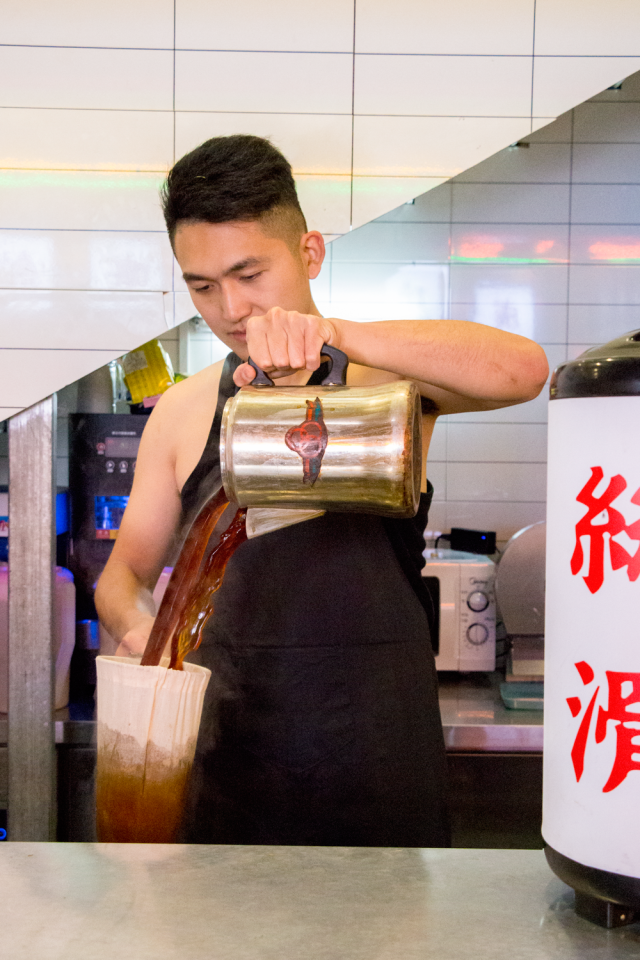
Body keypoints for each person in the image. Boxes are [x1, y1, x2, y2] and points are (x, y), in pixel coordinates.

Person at [95, 135, 548, 846]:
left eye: (250, 273)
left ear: (309, 253)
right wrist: (138, 625)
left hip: (375, 758)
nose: (232, 308)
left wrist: (332, 332)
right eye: (202, 285)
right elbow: (122, 575)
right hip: (226, 760)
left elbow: (523, 370)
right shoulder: (182, 412)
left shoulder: (388, 386)